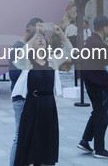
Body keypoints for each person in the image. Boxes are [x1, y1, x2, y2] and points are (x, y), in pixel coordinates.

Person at [12, 23, 72, 166]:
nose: (40, 39)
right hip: (32, 106)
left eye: (43, 38)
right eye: (37, 38)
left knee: (46, 144)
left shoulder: (52, 60)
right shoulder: (26, 61)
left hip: (49, 106)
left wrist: (61, 34)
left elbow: (69, 51)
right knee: (30, 144)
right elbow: (20, 55)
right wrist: (34, 36)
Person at [78, 15, 108, 159]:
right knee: (102, 116)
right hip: (100, 84)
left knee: (97, 112)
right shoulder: (101, 45)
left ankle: (85, 140)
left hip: (90, 83)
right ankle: (100, 149)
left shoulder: (89, 41)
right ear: (104, 27)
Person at [9, 17, 42, 166]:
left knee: (29, 134)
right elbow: (14, 75)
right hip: (20, 98)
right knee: (19, 135)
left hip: (30, 97)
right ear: (28, 31)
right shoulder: (18, 47)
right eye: (36, 33)